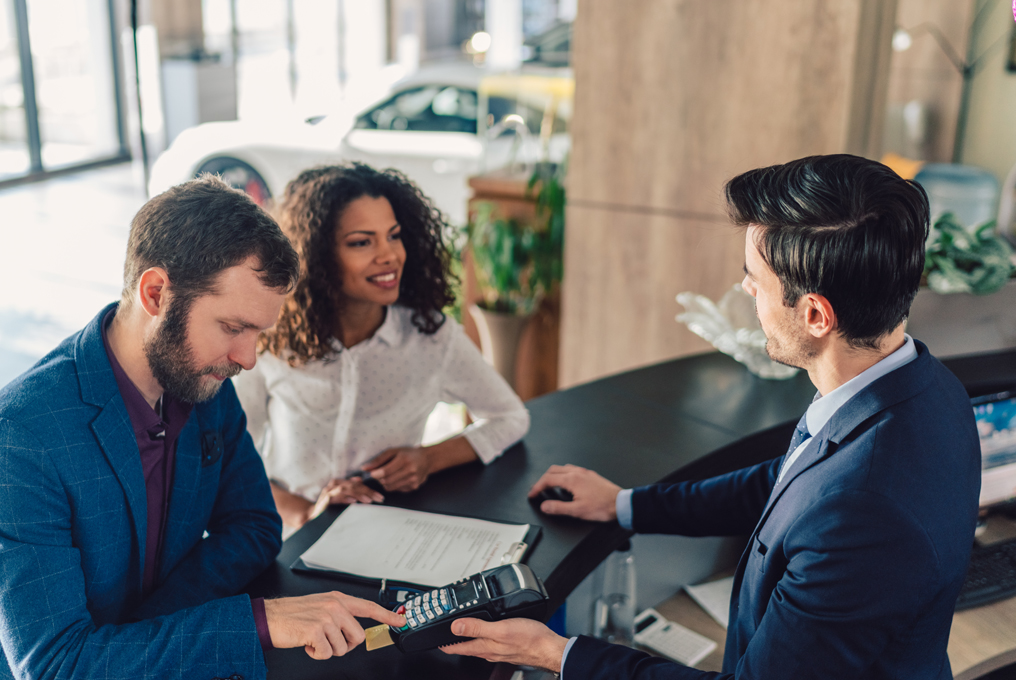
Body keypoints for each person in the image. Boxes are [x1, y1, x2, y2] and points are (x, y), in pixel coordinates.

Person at [442, 154, 982, 679]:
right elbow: (791, 483)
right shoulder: (924, 388)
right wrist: (626, 506)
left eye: (755, 278)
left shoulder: (865, 510)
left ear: (816, 315)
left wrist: (559, 655)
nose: (747, 289)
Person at [0, 176, 404, 680]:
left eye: (258, 333)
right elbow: (58, 665)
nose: (248, 359)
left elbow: (256, 526)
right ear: (155, 294)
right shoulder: (22, 435)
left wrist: (148, 631)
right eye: (234, 328)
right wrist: (253, 621)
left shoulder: (205, 378)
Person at [233, 163, 530, 530]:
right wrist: (305, 513)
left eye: (394, 236)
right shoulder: (270, 336)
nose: (389, 255)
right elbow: (232, 462)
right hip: (287, 535)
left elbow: (510, 418)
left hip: (384, 534)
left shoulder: (431, 336)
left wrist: (427, 459)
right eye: (362, 242)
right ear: (316, 255)